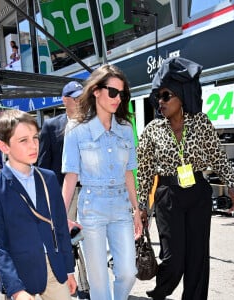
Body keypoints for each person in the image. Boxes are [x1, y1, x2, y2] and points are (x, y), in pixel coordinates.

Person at [137, 57, 234, 300]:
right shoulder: (152, 129)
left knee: (197, 258)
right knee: (173, 259)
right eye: (158, 97)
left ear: (181, 96)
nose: (160, 102)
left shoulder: (201, 123)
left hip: (197, 192)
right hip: (167, 195)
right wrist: (141, 205)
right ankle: (160, 291)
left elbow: (217, 156)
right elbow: (144, 171)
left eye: (166, 96)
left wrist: (232, 185)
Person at [62, 64, 143, 300]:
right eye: (113, 92)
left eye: (122, 93)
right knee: (98, 284)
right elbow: (71, 176)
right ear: (96, 91)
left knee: (128, 273)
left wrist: (137, 210)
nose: (118, 99)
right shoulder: (76, 129)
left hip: (121, 207)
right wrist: (59, 215)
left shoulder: (126, 128)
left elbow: (129, 172)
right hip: (92, 207)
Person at [0, 109, 76, 300]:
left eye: (35, 138)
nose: (33, 145)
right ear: (4, 146)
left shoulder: (48, 178)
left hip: (54, 269)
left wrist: (69, 269)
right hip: (19, 273)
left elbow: (59, 226)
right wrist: (15, 289)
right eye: (23, 140)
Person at [38, 80, 90, 300]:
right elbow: (42, 164)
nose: (79, 101)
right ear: (64, 100)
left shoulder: (92, 123)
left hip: (88, 192)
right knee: (67, 240)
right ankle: (70, 281)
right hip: (63, 194)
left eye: (82, 97)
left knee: (89, 239)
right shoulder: (51, 127)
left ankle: (87, 287)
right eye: (75, 97)